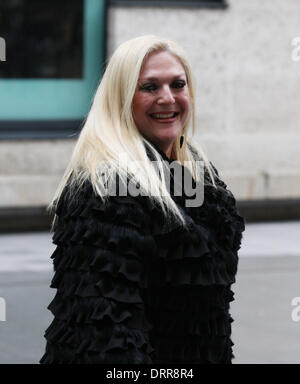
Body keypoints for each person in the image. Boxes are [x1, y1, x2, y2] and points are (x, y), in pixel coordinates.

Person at [40, 35, 245, 364]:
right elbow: (105, 338)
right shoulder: (105, 189)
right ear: (121, 98)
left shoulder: (193, 174)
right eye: (149, 87)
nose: (168, 98)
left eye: (177, 84)